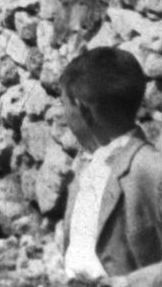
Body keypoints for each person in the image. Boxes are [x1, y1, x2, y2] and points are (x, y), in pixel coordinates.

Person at [59, 47, 162, 285]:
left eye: (64, 104)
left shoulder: (150, 169)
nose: (64, 115)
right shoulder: (86, 170)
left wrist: (130, 282)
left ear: (82, 107)